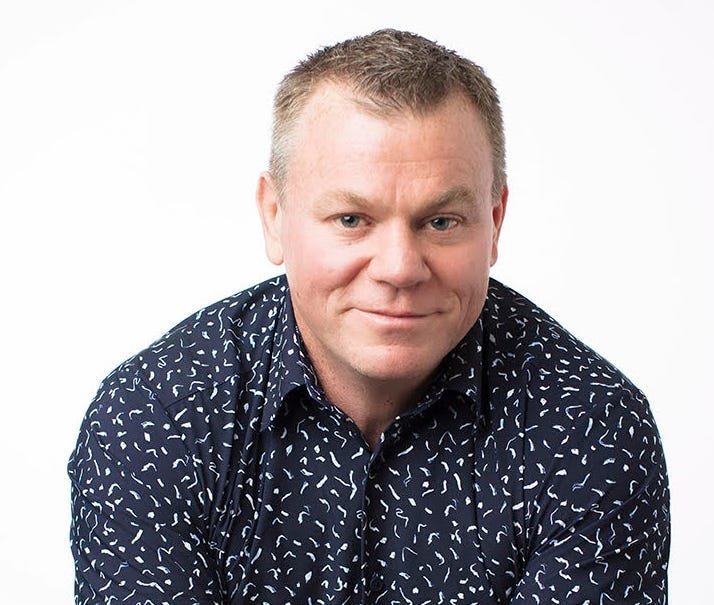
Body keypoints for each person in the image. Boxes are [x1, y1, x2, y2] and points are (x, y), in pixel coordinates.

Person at [68, 29, 669, 604]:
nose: (400, 268)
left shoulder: (593, 428)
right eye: (352, 219)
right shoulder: (156, 416)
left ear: (494, 222)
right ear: (274, 216)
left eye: (441, 221)